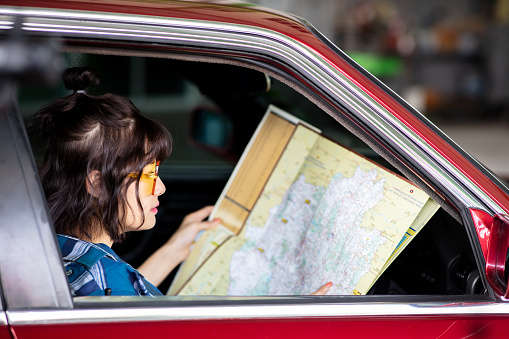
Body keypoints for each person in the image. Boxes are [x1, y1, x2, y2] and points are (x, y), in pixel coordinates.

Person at [31, 66, 331, 296]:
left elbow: (122, 296)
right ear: (96, 183)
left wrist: (173, 250)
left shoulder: (60, 252)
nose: (160, 187)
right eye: (148, 175)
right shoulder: (107, 286)